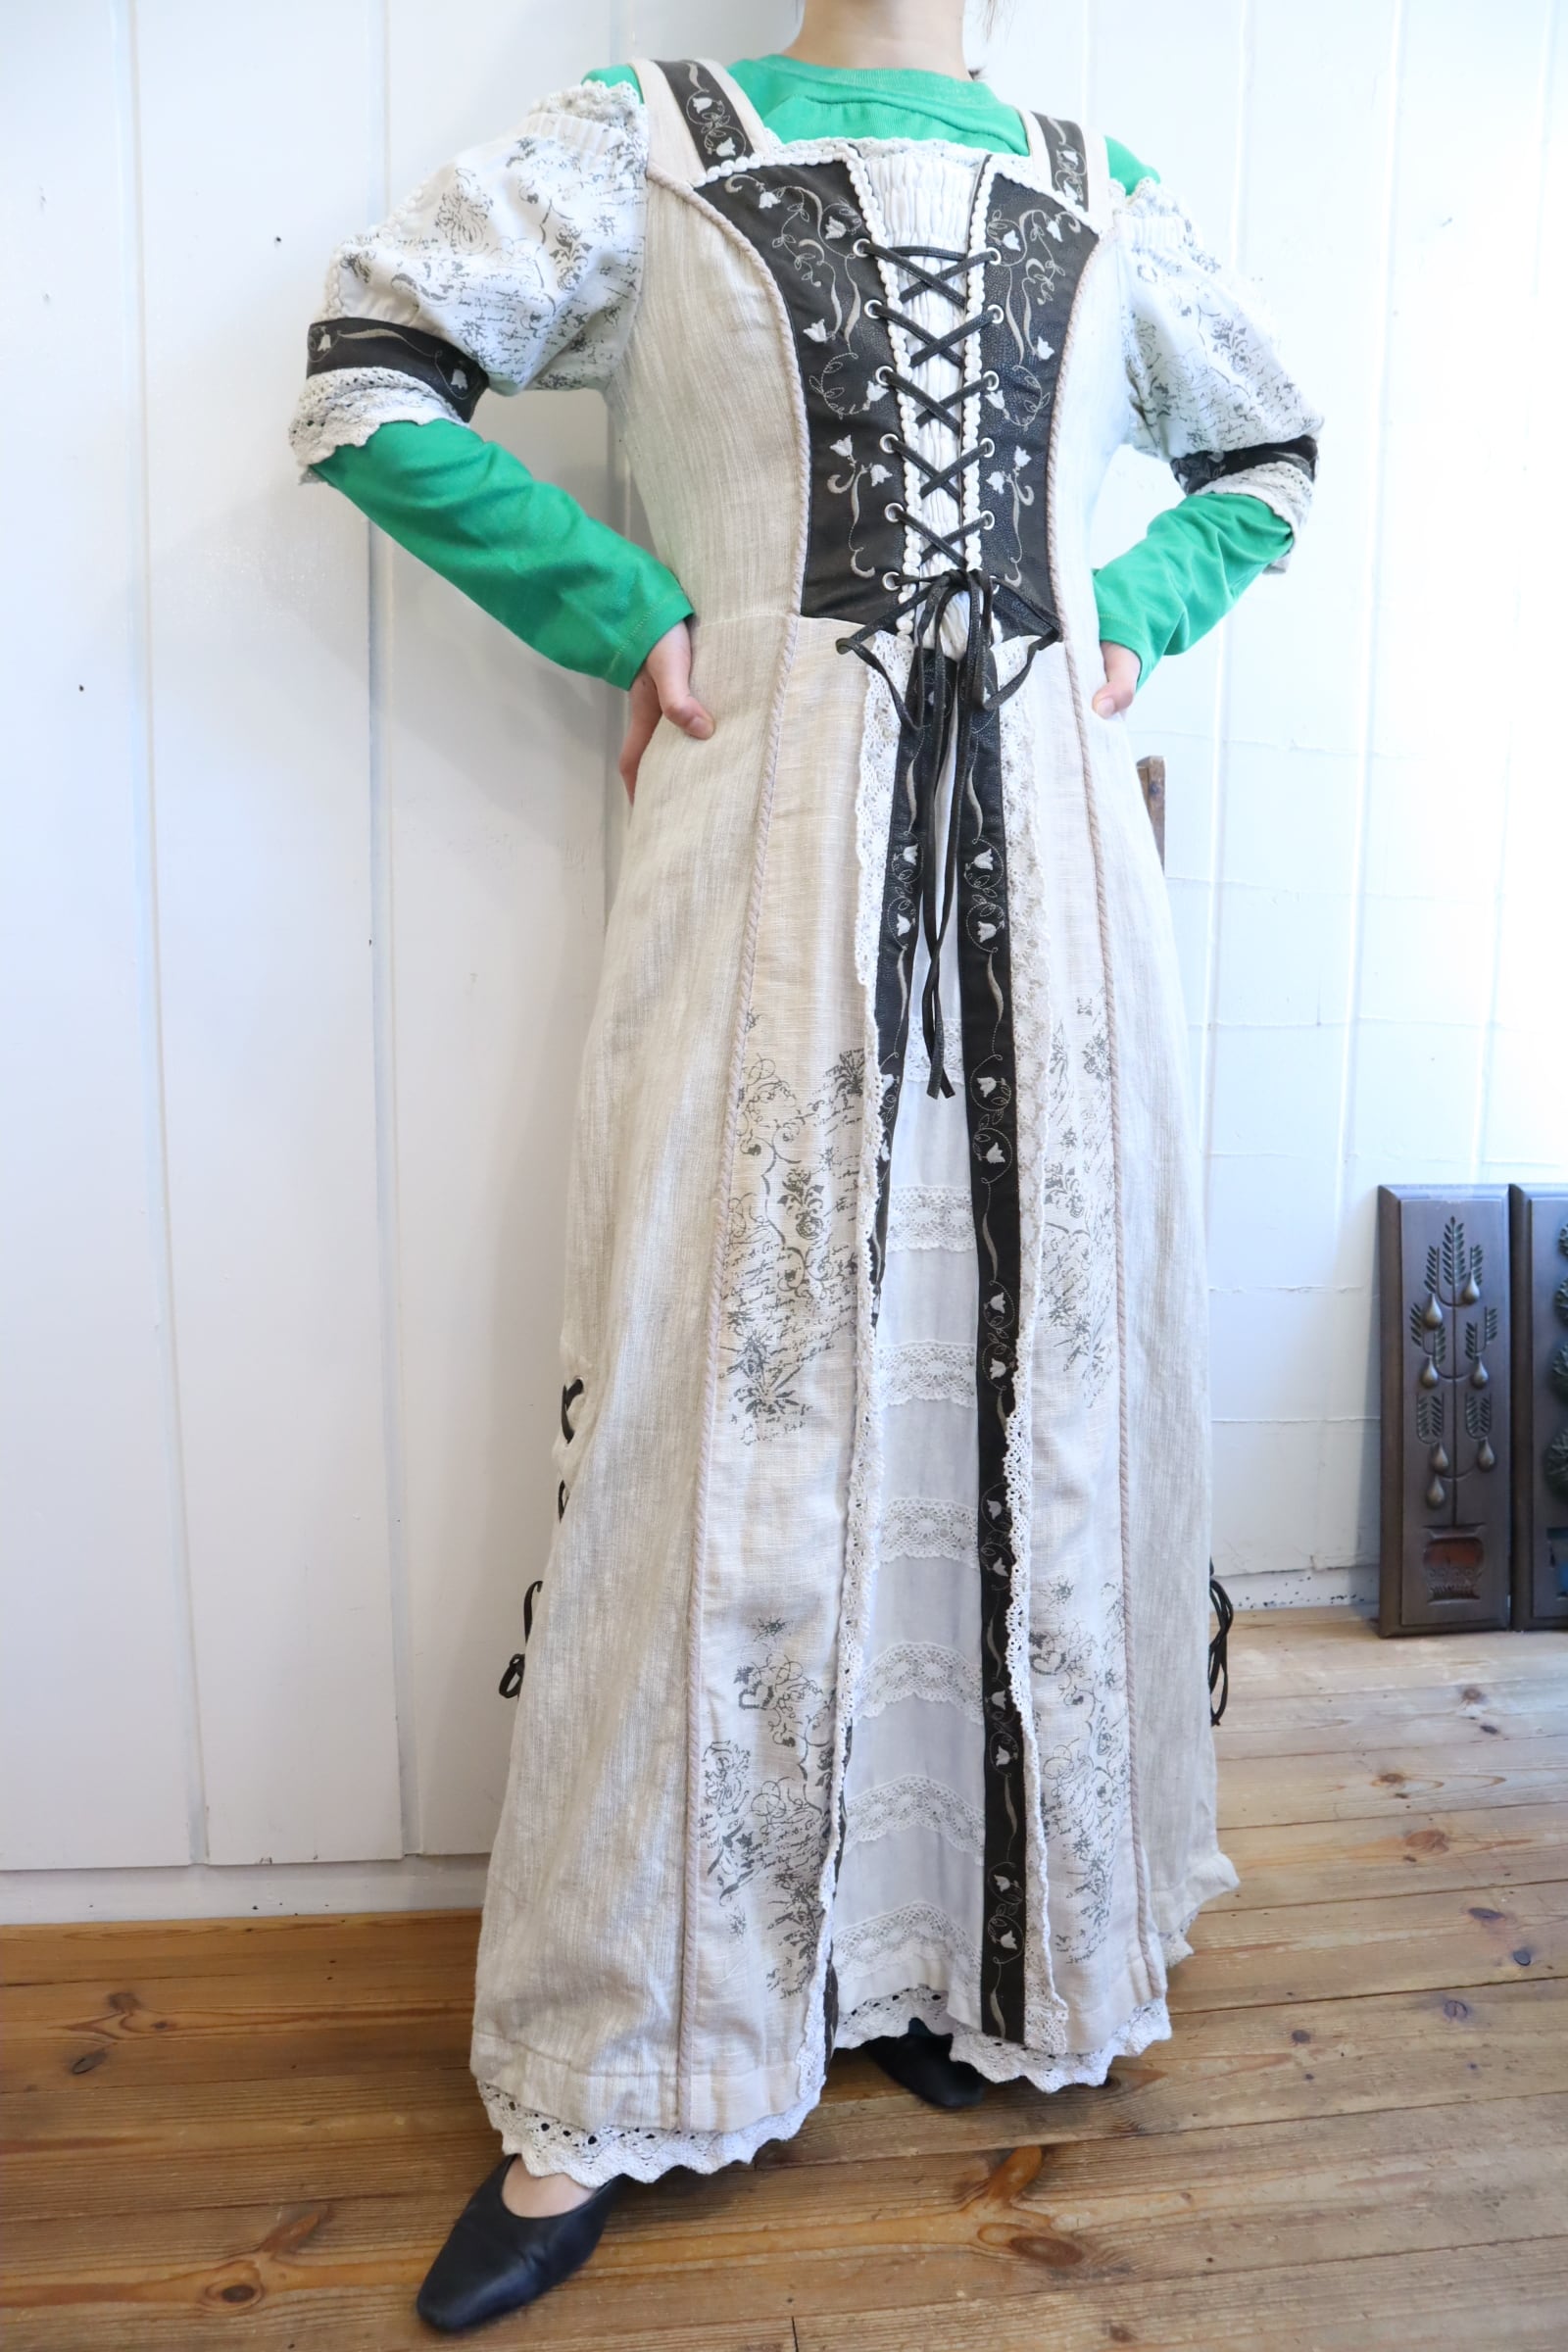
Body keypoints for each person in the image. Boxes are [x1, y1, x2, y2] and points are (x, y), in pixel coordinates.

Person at [290, 0, 1318, 2330]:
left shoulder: (1096, 181)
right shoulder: (644, 144)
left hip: (1058, 876)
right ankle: (628, 2051)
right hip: (763, 846)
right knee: (716, 1397)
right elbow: (368, 376)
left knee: (1038, 1376)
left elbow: (1264, 448)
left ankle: (982, 1953)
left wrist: (1123, 617)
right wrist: (629, 612)